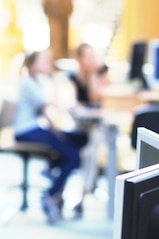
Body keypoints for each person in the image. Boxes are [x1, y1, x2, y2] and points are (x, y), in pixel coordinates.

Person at [13, 49, 87, 224]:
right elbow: (49, 105)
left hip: (37, 127)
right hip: (26, 131)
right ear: (32, 64)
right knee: (73, 156)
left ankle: (51, 167)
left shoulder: (37, 81)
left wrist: (57, 132)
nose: (49, 64)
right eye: (44, 61)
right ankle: (50, 193)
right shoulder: (27, 84)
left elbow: (46, 112)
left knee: (79, 138)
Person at [67, 43, 110, 218]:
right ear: (79, 59)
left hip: (97, 124)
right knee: (69, 147)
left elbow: (96, 97)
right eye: (87, 56)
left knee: (90, 154)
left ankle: (83, 195)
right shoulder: (72, 77)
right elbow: (72, 102)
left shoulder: (101, 72)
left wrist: (93, 74)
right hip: (79, 123)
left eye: (92, 56)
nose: (91, 60)